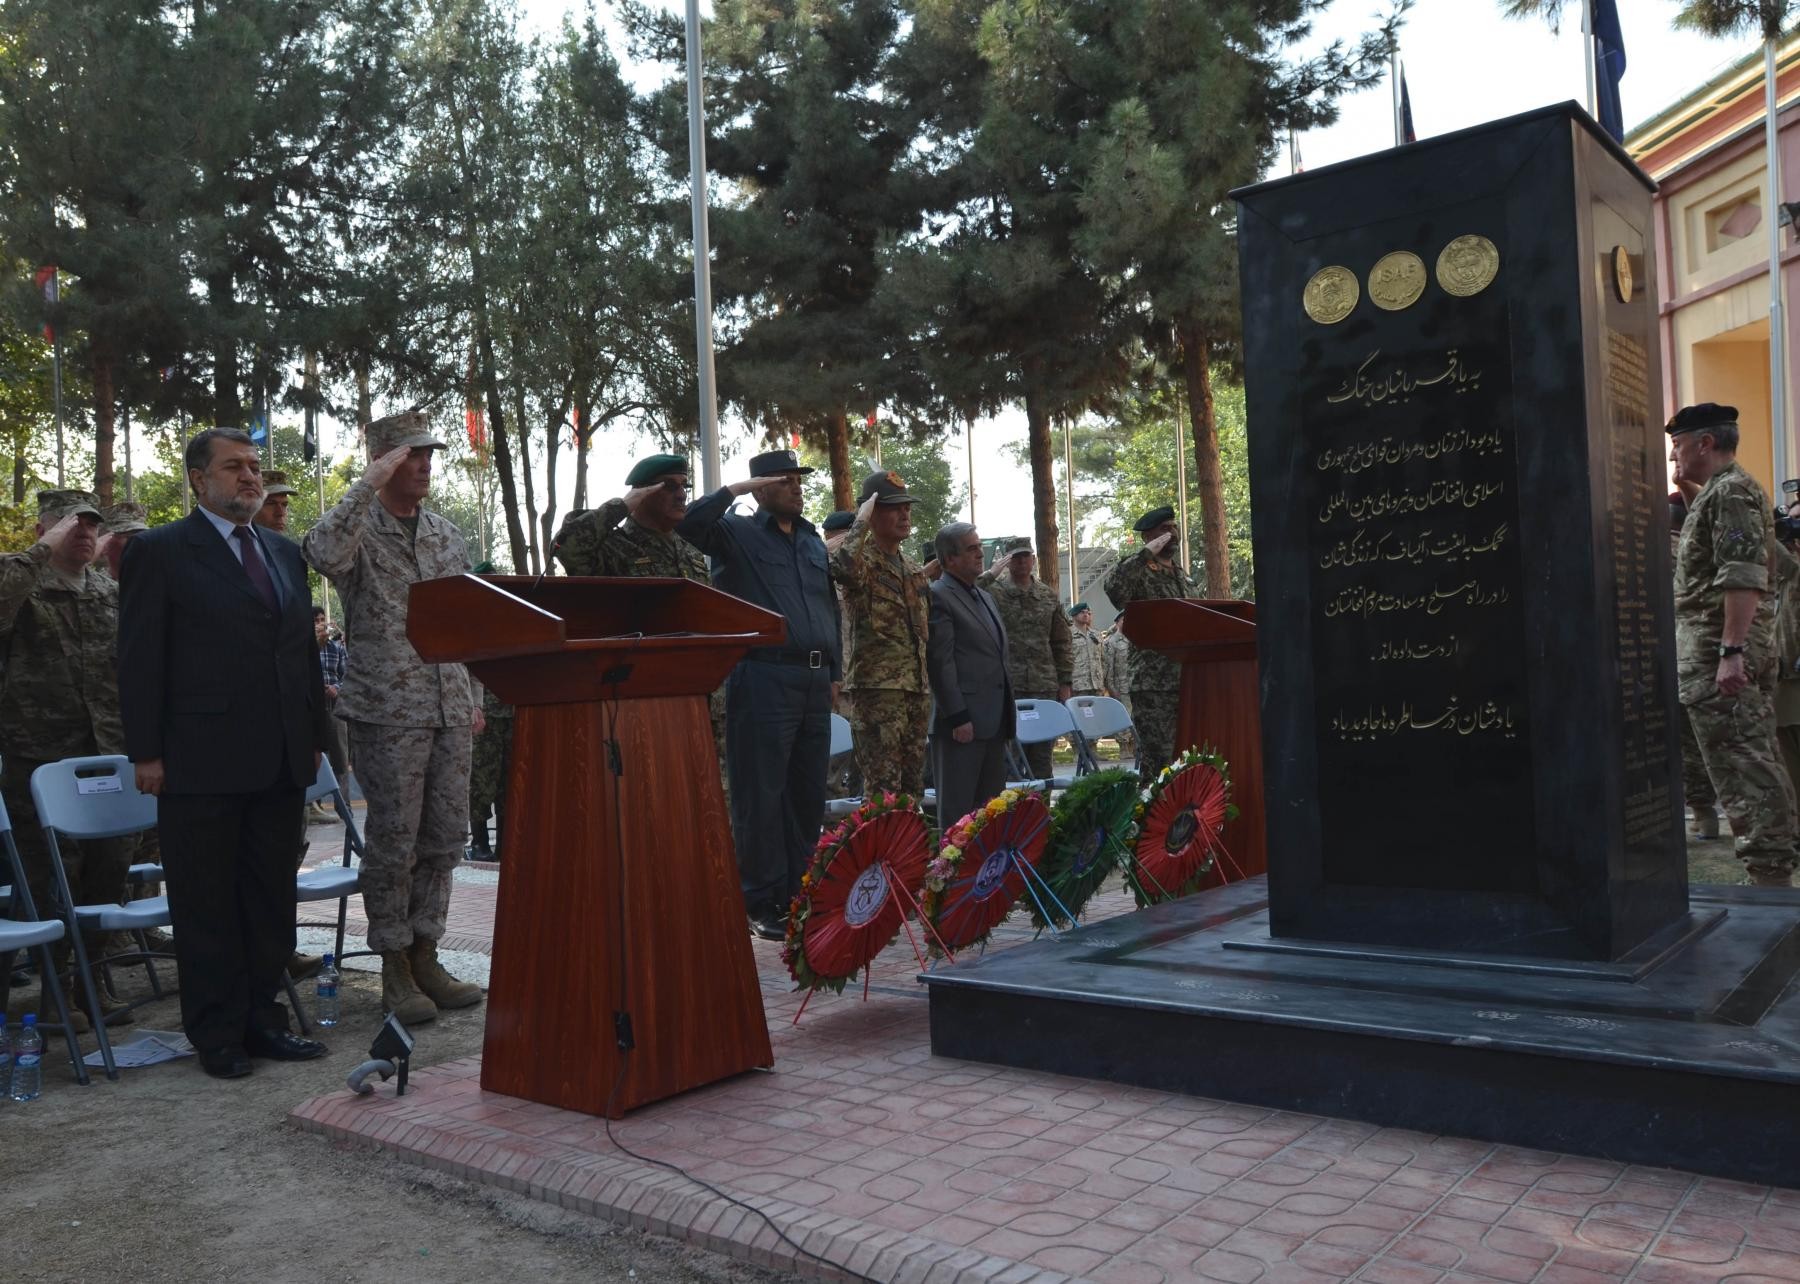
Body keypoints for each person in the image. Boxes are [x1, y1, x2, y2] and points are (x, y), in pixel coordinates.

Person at [118, 432, 334, 1077]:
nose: (250, 477)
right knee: (207, 901)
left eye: (255, 467)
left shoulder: (283, 551)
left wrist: (319, 740)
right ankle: (215, 1034)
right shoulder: (158, 552)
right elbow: (138, 659)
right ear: (196, 480)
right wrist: (146, 753)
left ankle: (263, 1021)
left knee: (269, 900)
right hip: (197, 759)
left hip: (281, 757)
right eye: (234, 467)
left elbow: (299, 656)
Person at [303, 410, 485, 1022]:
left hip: (449, 707)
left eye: (429, 453)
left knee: (444, 840)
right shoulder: (357, 530)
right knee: (394, 842)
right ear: (384, 461)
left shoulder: (446, 535)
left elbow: (466, 621)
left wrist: (474, 699)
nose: (425, 463)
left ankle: (428, 953)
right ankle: (395, 967)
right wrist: (363, 484)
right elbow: (321, 552)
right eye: (411, 454)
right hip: (387, 710)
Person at [677, 449, 840, 941]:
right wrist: (736, 491)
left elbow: (826, 605)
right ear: (762, 487)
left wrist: (834, 671)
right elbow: (690, 524)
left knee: (808, 793)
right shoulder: (737, 533)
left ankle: (801, 890)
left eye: (799, 479)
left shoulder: (812, 539)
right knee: (761, 794)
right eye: (785, 480)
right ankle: (762, 900)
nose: (797, 486)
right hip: (763, 676)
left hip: (814, 681)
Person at [0, 491, 133, 1032]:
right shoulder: (22, 588)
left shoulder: (107, 592)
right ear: (42, 531)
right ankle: (53, 990)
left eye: (91, 523)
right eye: (69, 523)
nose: (83, 530)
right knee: (48, 876)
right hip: (38, 755)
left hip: (105, 753)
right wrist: (39, 553)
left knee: (109, 866)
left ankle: (89, 976)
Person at [1668, 402, 1798, 886]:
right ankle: (1772, 867)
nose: (1674, 456)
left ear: (1705, 443)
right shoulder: (1724, 492)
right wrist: (1686, 487)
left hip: (1719, 656)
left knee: (1743, 765)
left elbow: (1741, 575)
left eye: (1678, 446)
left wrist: (1730, 651)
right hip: (1719, 653)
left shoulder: (1733, 493)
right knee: (1753, 755)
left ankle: (1769, 875)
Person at [551, 455, 725, 796]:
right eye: (669, 487)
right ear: (643, 493)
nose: (681, 494)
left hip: (698, 701)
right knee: (647, 801)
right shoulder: (612, 547)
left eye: (684, 486)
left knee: (701, 800)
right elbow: (566, 547)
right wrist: (622, 504)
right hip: (638, 704)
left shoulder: (690, 554)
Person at [831, 472, 930, 798]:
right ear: (872, 514)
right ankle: (885, 852)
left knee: (913, 791)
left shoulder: (911, 568)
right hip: (878, 695)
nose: (904, 515)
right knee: (883, 795)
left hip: (915, 690)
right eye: (893, 508)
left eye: (907, 508)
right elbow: (842, 567)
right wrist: (860, 519)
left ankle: (913, 851)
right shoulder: (864, 561)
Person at [927, 521, 1015, 830]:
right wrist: (957, 715)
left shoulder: (984, 597)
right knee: (958, 819)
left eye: (980, 547)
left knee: (990, 814)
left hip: (993, 721)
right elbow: (941, 661)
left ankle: (987, 877)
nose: (980, 554)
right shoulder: (940, 595)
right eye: (972, 549)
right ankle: (953, 879)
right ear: (950, 559)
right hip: (962, 723)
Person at [1103, 506, 1194, 775]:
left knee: (1187, 760)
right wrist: (1145, 555)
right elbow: (1115, 590)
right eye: (1165, 529)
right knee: (1159, 763)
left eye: (1174, 527)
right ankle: (1151, 817)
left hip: (1187, 679)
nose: (1172, 533)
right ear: (1148, 537)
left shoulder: (1182, 574)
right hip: (1154, 683)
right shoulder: (1139, 569)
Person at [979, 537, 1072, 779]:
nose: (1021, 562)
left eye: (1025, 556)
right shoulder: (992, 592)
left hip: (1044, 685)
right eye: (1015, 557)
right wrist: (990, 573)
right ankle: (1013, 815)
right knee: (1010, 758)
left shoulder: (1047, 595)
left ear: (1033, 559)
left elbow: (1061, 641)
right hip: (1008, 686)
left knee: (1042, 759)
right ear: (1006, 562)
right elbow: (966, 592)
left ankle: (1042, 814)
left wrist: (1065, 682)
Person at [1671, 485, 1719, 838]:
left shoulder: (1673, 550)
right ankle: (1707, 814)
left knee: (1689, 740)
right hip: (1697, 655)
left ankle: (1703, 813)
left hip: (1679, 657)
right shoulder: (1697, 548)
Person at [313, 605, 351, 799]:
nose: (321, 624)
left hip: (334, 708)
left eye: (322, 620)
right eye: (316, 621)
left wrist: (336, 688)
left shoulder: (336, 648)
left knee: (340, 758)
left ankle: (345, 805)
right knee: (312, 756)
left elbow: (347, 675)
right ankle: (313, 804)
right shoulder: (305, 647)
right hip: (311, 709)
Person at [1104, 623, 1137, 761]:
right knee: (1124, 718)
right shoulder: (1112, 642)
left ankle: (1135, 746)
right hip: (1121, 686)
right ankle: (1124, 747)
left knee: (1135, 718)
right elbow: (1108, 667)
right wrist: (1111, 687)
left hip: (1135, 685)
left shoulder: (1135, 638)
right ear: (1117, 622)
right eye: (1123, 619)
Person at [97, 502, 149, 581]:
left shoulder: (154, 579)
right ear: (106, 543)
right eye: (129, 537)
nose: (138, 542)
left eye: (142, 536)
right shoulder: (95, 584)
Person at [1069, 602, 1106, 697]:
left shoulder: (1096, 634)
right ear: (1074, 615)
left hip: (1097, 685)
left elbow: (1103, 660)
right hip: (1078, 686)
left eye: (1088, 613)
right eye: (1082, 612)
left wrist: (1103, 682)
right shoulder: (1067, 634)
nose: (1086, 615)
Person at [254, 470, 298, 535]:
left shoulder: (286, 544)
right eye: (271, 504)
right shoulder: (236, 543)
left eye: (284, 505)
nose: (280, 513)